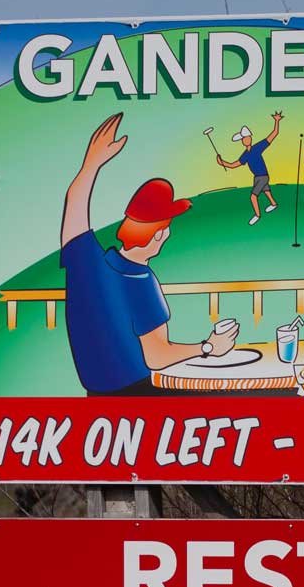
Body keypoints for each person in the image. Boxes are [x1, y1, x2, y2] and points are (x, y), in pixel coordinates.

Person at [60, 113, 238, 396]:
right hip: (139, 397)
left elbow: (75, 204)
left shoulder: (90, 263)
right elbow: (156, 356)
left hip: (95, 398)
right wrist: (208, 348)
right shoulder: (140, 280)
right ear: (160, 234)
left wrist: (91, 164)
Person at [217, 112, 283, 225]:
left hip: (263, 176)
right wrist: (222, 163)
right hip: (257, 177)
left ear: (250, 137)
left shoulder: (258, 147)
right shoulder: (245, 155)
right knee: (266, 191)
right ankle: (273, 204)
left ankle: (257, 215)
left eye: (247, 137)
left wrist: (276, 121)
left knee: (253, 196)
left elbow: (274, 134)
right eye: (243, 139)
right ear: (242, 141)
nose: (245, 140)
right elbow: (234, 164)